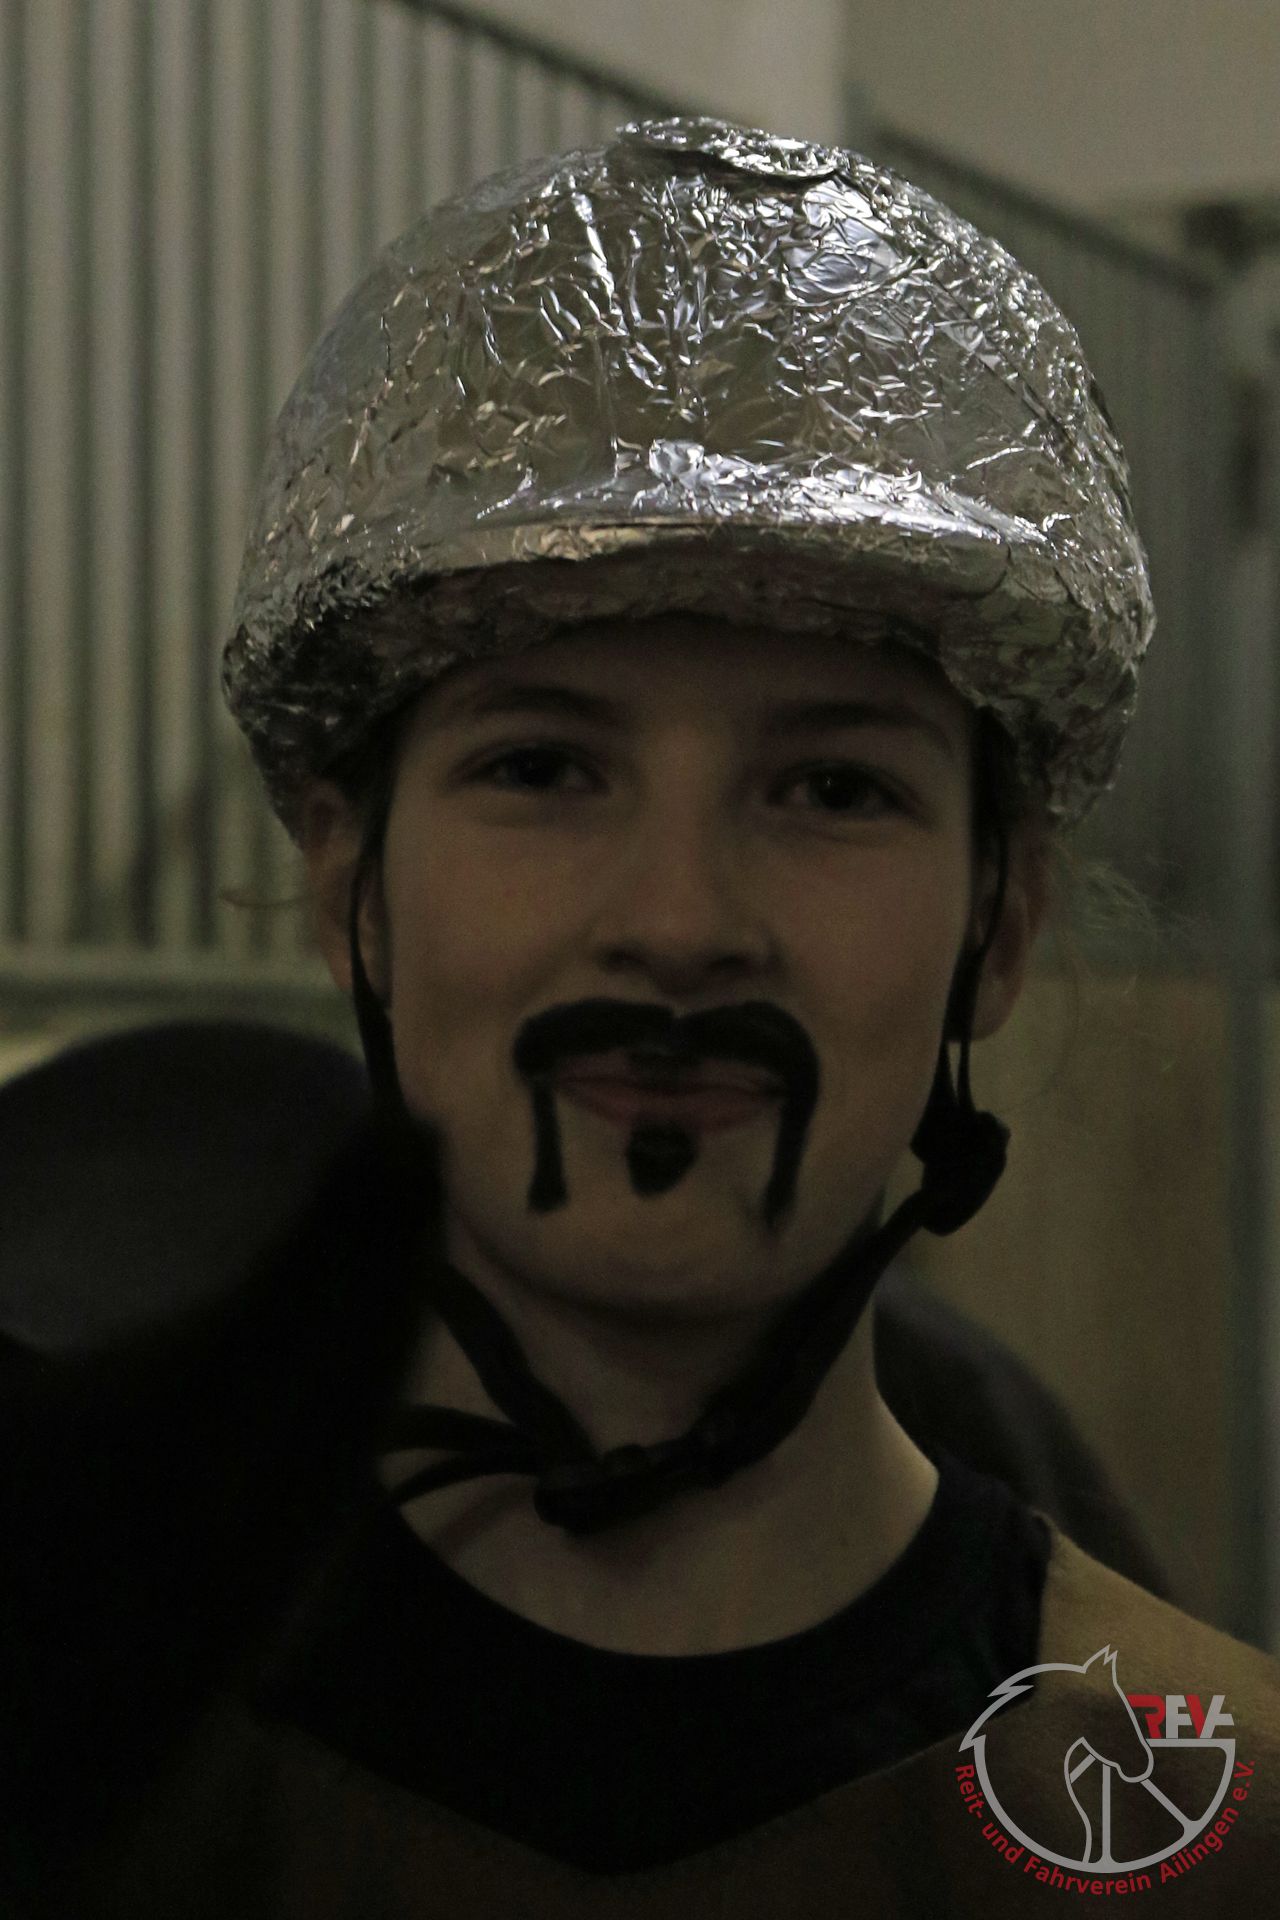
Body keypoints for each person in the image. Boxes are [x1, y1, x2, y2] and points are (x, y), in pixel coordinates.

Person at [11, 115, 1280, 1915]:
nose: (678, 925)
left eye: (833, 790)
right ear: (351, 892)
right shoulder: (84, 1750)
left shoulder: (1216, 1831)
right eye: (543, 768)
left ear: (997, 927)